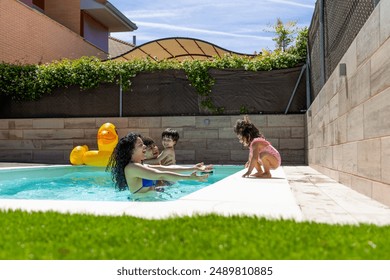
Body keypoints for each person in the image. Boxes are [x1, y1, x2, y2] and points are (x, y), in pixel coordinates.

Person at [107, 132, 211, 195]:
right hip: (142, 205)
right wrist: (189, 178)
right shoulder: (131, 168)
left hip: (153, 200)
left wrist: (193, 168)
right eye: (140, 145)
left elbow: (165, 169)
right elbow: (160, 174)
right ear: (131, 151)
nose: (144, 147)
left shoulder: (142, 166)